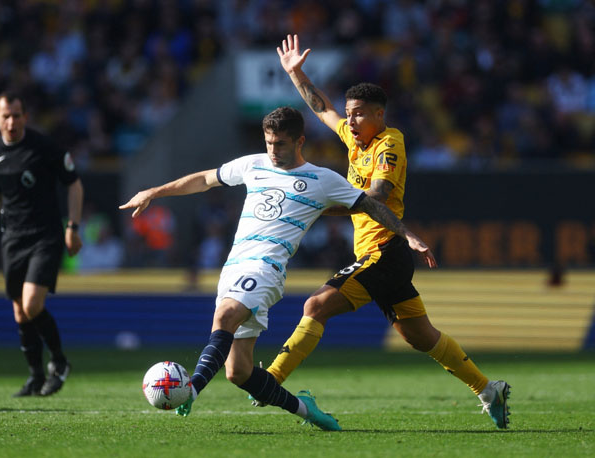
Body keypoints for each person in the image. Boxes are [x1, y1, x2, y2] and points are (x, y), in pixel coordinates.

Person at [120, 107, 436, 431]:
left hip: (265, 268)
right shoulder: (253, 164)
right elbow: (204, 180)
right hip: (233, 268)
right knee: (238, 372)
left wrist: (408, 235)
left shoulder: (323, 179)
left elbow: (371, 205)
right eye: (269, 142)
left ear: (300, 141)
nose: (273, 150)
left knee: (225, 317)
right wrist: (154, 192)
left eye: (280, 144)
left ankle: (193, 389)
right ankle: (307, 410)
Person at [259, 35, 511, 429]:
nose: (351, 121)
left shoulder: (389, 144)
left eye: (359, 114)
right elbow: (322, 109)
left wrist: (318, 206)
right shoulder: (353, 140)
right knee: (420, 337)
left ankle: (271, 379)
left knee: (316, 306)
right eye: (350, 114)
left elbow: (376, 195)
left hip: (385, 251)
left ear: (379, 114)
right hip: (378, 255)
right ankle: (488, 389)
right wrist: (296, 74)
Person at [0, 92, 83, 397]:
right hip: (13, 238)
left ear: (25, 117)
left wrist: (72, 227)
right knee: (20, 312)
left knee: (32, 304)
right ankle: (35, 376)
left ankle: (59, 362)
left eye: (16, 115)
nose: (11, 122)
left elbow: (74, 184)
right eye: (6, 116)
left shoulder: (44, 147)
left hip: (45, 236)